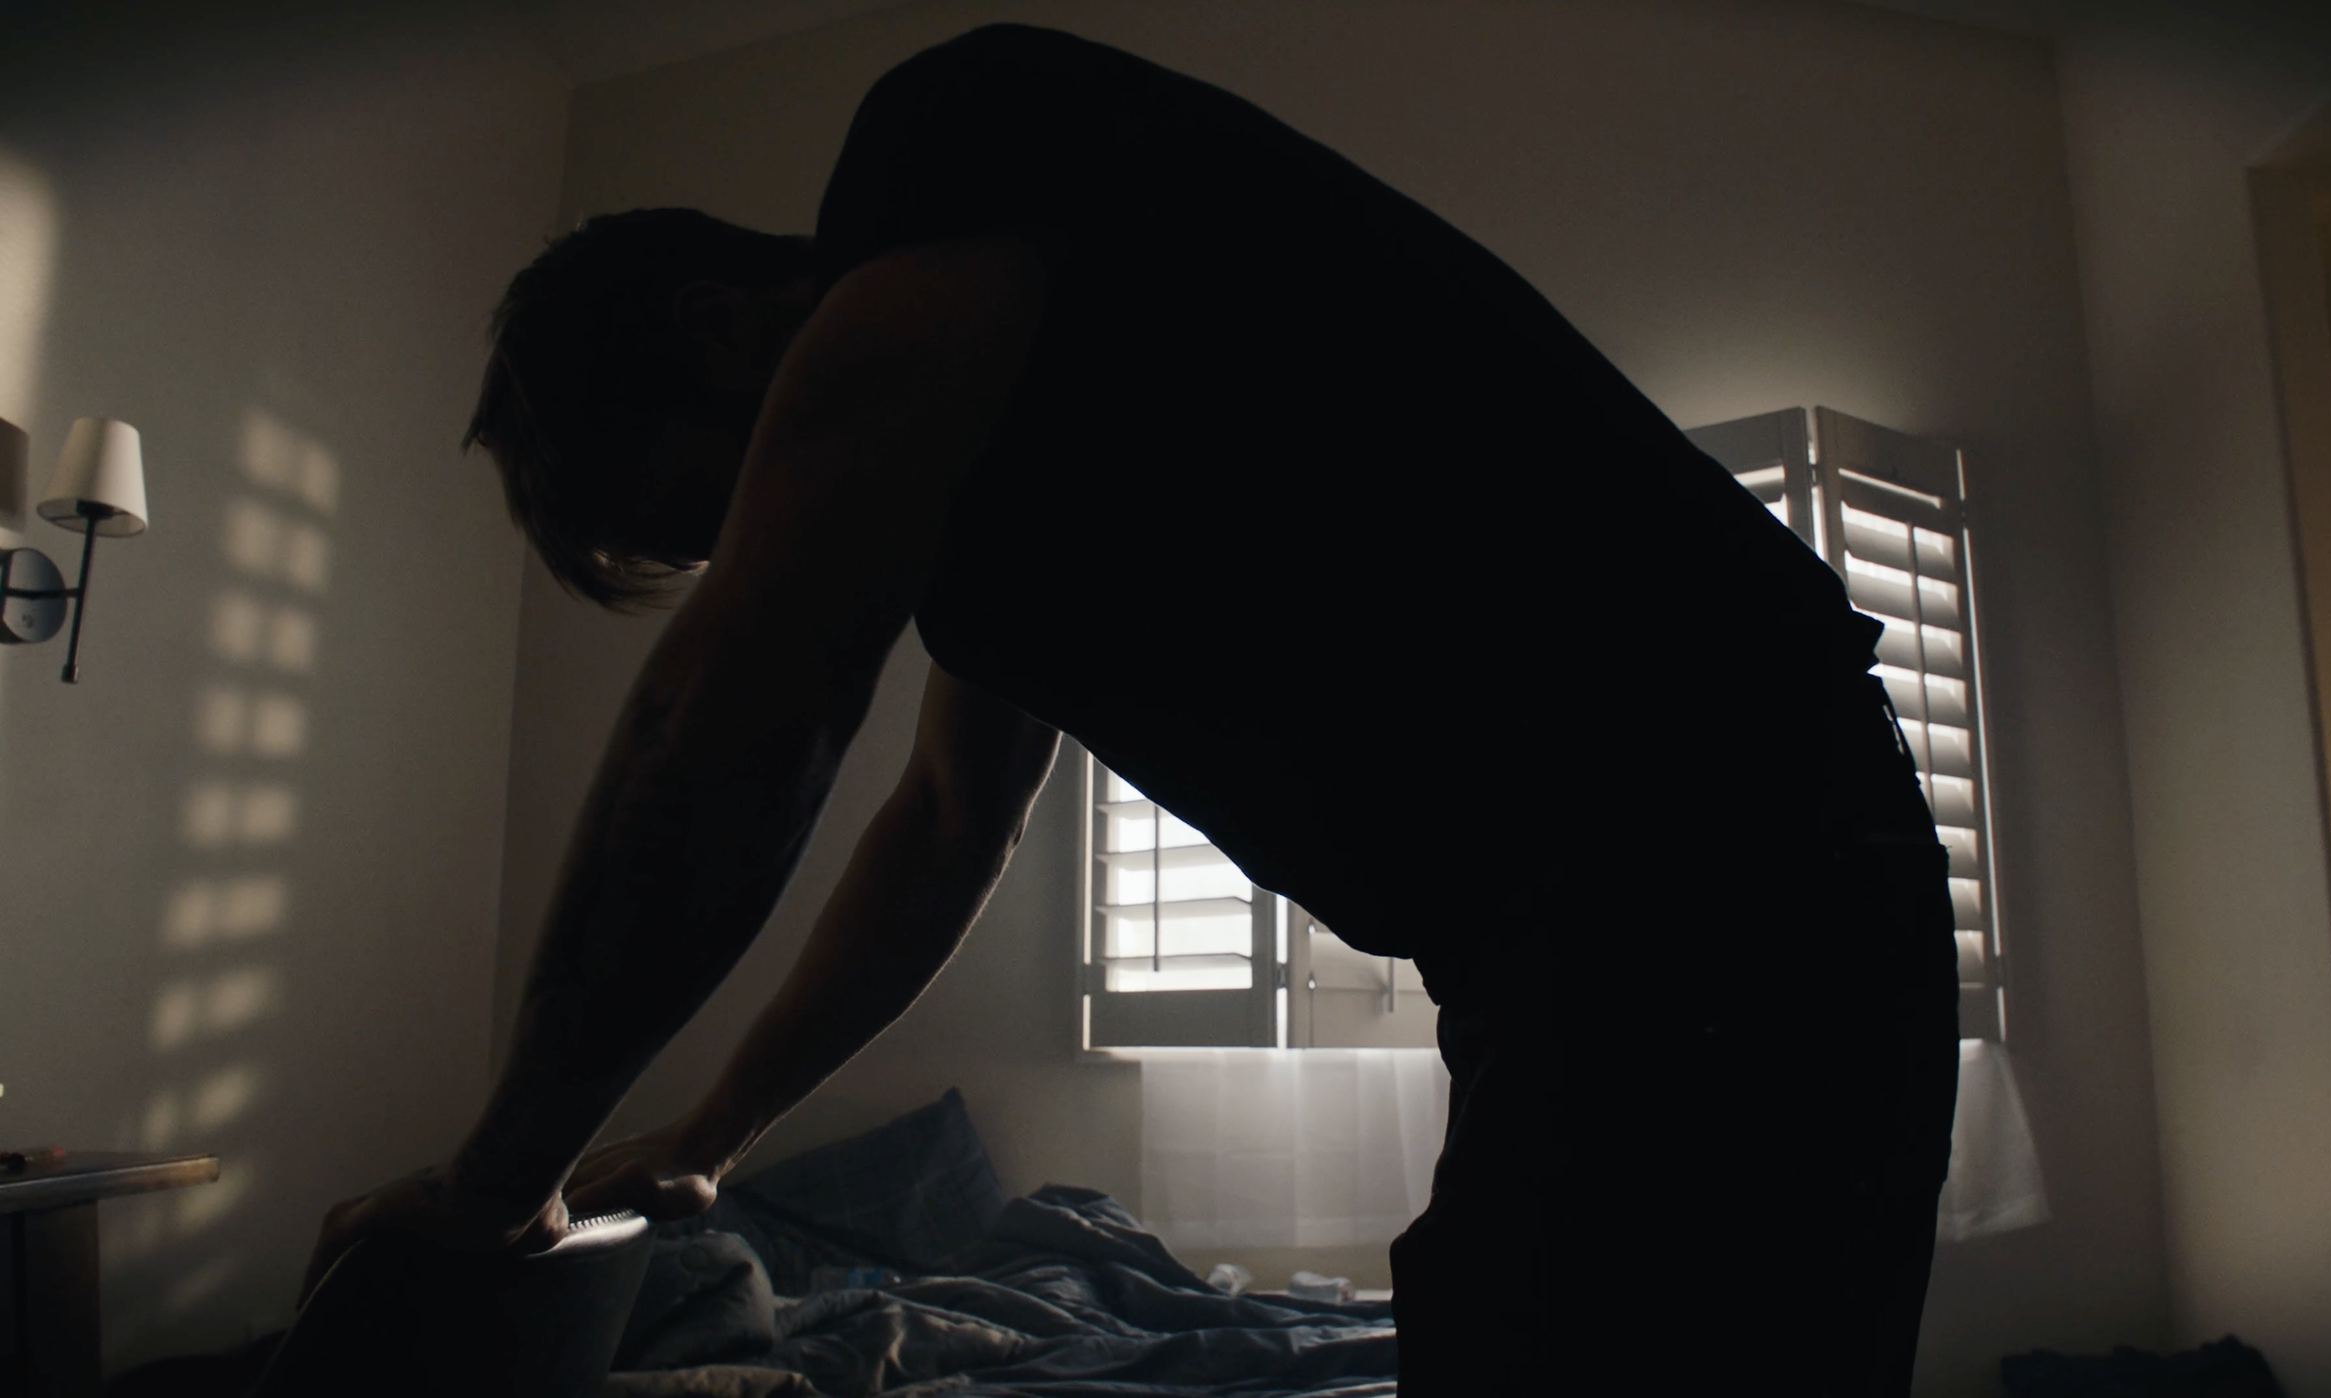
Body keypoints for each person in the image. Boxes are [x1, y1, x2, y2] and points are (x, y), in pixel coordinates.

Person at [310, 23, 1960, 1394]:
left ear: (723, 325)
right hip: (1599, 933)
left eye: (725, 511)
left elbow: (744, 701)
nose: (766, 554)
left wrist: (497, 1181)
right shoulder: (975, 502)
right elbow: (947, 820)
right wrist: (708, 1133)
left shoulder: (939, 150)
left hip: (1718, 856)